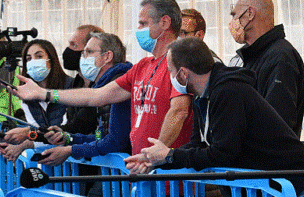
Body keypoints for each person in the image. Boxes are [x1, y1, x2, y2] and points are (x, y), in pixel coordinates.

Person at [123, 37, 304, 197]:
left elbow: (223, 152)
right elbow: (198, 144)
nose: (170, 76)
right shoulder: (202, 95)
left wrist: (169, 156)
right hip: (269, 194)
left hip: (297, 190)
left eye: (171, 71)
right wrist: (156, 160)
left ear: (184, 73)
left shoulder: (228, 91)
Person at [11, 0, 193, 161]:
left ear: (165, 22)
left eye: (143, 23)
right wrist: (45, 94)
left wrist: (157, 153)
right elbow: (97, 96)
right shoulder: (142, 67)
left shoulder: (181, 61)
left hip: (171, 178)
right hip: (142, 172)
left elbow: (179, 111)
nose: (138, 29)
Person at [40, 32, 133, 166]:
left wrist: (71, 150)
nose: (83, 57)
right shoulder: (103, 85)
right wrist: (68, 138)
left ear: (107, 56)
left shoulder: (118, 85)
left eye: (89, 52)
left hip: (127, 172)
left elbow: (115, 141)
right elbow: (100, 137)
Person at [228, 0, 304, 137]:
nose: (232, 22)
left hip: (269, 156)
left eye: (235, 15)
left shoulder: (281, 57)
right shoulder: (253, 56)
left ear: (250, 13)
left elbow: (276, 124)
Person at [0, 39, 73, 162]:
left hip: (75, 159)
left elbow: (61, 131)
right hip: (51, 161)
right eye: (28, 59)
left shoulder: (70, 86)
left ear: (51, 59)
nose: (34, 61)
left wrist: (25, 141)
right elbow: (37, 133)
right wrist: (17, 143)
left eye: (39, 56)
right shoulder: (27, 97)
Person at [59, 25, 105, 136]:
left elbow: (80, 126)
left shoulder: (103, 84)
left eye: (74, 45)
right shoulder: (77, 82)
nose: (68, 50)